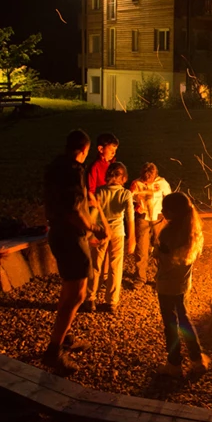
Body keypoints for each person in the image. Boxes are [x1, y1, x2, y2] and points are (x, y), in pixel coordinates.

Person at [41, 129, 104, 375]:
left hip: (56, 232)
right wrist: (95, 228)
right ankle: (53, 352)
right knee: (77, 295)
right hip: (69, 235)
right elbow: (74, 211)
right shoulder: (74, 171)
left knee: (68, 288)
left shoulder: (54, 166)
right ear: (85, 150)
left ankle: (64, 337)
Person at [154, 192, 210, 378]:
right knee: (185, 320)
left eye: (165, 209)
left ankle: (174, 363)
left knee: (170, 324)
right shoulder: (192, 230)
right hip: (183, 283)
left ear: (174, 212)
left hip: (167, 285)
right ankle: (197, 360)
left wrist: (157, 253)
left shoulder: (168, 233)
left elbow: (165, 259)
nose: (162, 211)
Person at [89, 161, 135, 312]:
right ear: (124, 178)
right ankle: (111, 302)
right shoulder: (125, 194)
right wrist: (132, 238)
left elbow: (93, 214)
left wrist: (91, 233)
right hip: (117, 232)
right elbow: (130, 217)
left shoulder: (100, 191)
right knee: (116, 266)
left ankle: (91, 299)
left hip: (101, 232)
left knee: (96, 266)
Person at [129, 162, 171, 284]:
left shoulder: (162, 183)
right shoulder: (136, 184)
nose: (147, 183)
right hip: (143, 219)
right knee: (141, 249)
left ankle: (161, 278)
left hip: (158, 219)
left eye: (150, 180)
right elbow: (129, 199)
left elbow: (169, 198)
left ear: (155, 175)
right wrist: (136, 206)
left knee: (160, 249)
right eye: (145, 180)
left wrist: (166, 214)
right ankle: (140, 278)